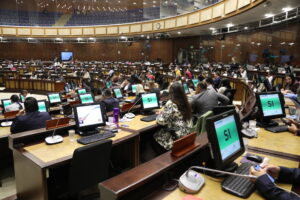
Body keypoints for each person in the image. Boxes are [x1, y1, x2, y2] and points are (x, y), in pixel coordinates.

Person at [153, 82, 193, 151]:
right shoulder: (186, 101)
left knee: (152, 135)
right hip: (186, 133)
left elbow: (161, 121)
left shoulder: (171, 103)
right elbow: (176, 113)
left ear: (171, 92)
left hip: (176, 136)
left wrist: (159, 115)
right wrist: (164, 112)